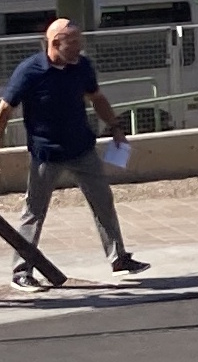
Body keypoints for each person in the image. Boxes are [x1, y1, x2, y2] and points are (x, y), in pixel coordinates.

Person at [1, 19, 149, 289]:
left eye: (80, 42)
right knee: (34, 211)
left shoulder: (82, 66)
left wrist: (115, 127)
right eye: (74, 43)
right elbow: (4, 108)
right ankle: (22, 271)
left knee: (103, 201)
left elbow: (97, 98)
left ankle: (119, 259)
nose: (79, 48)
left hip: (82, 149)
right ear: (55, 43)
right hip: (46, 154)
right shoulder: (30, 71)